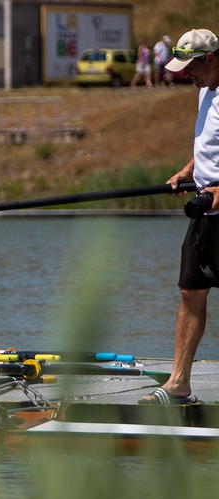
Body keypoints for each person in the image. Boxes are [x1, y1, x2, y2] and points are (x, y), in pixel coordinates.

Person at [139, 29, 219, 405]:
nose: (186, 75)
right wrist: (188, 170)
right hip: (205, 212)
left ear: (211, 60)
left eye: (191, 67)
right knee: (190, 291)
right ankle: (179, 383)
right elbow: (208, 144)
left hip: (215, 204)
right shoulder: (205, 90)